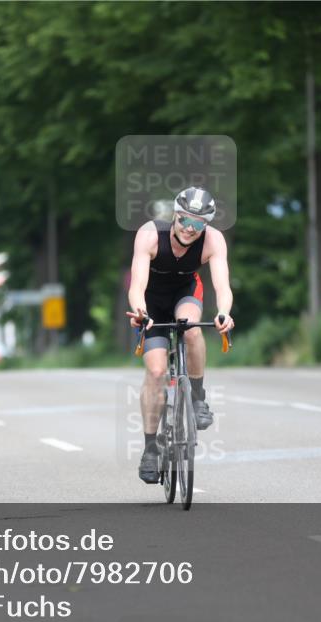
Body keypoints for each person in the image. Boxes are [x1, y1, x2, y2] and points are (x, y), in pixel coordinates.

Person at [125, 186, 235, 484]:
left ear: (206, 225)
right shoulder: (149, 235)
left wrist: (224, 314)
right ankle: (150, 449)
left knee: (190, 326)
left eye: (198, 223)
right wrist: (140, 312)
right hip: (151, 303)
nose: (190, 228)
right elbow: (136, 285)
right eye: (185, 220)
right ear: (175, 214)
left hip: (185, 293)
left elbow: (222, 287)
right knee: (157, 371)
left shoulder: (213, 241)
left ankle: (197, 398)